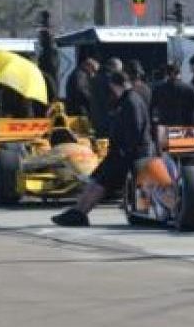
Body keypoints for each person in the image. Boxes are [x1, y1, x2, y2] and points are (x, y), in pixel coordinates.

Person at [52, 70, 152, 226]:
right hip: (121, 152)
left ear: (116, 85)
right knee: (96, 179)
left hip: (129, 154)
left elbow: (135, 130)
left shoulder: (131, 101)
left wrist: (124, 151)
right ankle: (78, 210)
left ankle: (80, 212)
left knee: (102, 181)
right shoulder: (127, 100)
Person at [90, 58, 122, 134]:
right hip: (107, 117)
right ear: (115, 68)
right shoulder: (110, 79)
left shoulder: (96, 78)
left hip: (95, 115)